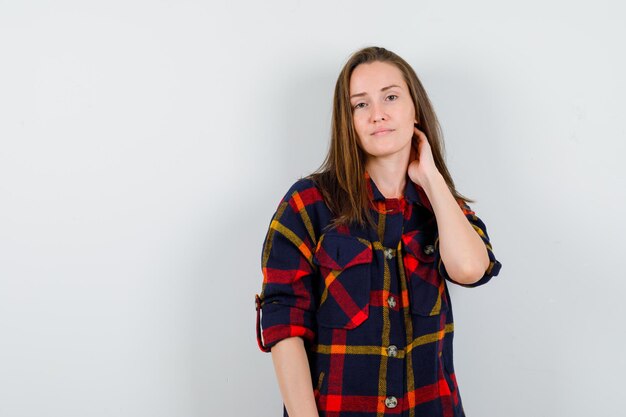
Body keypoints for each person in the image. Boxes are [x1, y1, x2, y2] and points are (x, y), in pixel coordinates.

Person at [254, 46, 503, 417]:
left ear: (414, 108)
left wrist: (431, 179)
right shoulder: (308, 203)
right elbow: (284, 323)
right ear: (348, 120)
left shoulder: (441, 207)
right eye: (360, 105)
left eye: (390, 97)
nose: (377, 114)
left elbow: (469, 270)